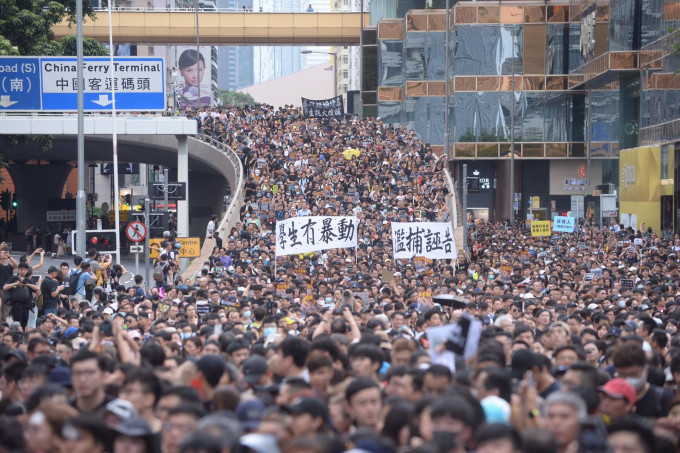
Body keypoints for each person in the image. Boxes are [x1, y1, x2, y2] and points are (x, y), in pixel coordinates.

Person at [3, 261, 40, 329]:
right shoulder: (13, 278)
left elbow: (37, 289)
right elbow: (5, 287)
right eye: (21, 269)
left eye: (25, 269)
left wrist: (27, 284)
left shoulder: (28, 280)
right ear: (18, 269)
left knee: (24, 324)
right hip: (15, 305)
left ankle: (22, 336)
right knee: (17, 325)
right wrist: (15, 284)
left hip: (26, 306)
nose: (23, 271)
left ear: (27, 271)